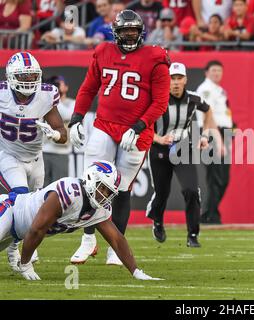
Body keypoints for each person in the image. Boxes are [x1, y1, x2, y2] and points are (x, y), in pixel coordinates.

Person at [68, 9, 170, 265]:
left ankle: (116, 245)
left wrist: (139, 126)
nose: (129, 35)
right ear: (116, 32)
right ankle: (88, 239)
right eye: (125, 31)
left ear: (141, 32)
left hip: (137, 130)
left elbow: (160, 102)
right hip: (104, 125)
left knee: (122, 189)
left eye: (134, 31)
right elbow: (89, 87)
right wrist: (77, 118)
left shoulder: (155, 57)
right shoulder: (103, 51)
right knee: (92, 182)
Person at [0, 161, 162, 281]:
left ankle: (13, 246)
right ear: (91, 178)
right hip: (8, 211)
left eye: (109, 192)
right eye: (103, 187)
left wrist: (135, 271)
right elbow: (36, 230)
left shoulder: (97, 209)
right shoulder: (69, 191)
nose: (105, 195)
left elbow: (117, 239)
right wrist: (26, 263)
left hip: (17, 232)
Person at [0, 52, 68, 264]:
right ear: (11, 77)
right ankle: (14, 252)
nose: (29, 81)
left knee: (33, 209)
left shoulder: (46, 95)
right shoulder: (2, 94)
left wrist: (54, 134)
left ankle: (15, 243)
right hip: (8, 155)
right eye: (24, 76)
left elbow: (62, 134)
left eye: (32, 76)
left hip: (35, 159)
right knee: (20, 199)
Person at [146, 62, 222, 248]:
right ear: (167, 80)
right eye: (172, 78)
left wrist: (204, 134)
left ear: (186, 79)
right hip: (159, 149)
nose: (176, 83)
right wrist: (158, 138)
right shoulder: (156, 99)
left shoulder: (193, 99)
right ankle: (157, 221)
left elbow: (208, 110)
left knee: (191, 190)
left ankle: (193, 235)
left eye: (179, 78)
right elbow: (142, 124)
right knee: (162, 193)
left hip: (184, 149)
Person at [196, 60, 233, 225]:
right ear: (206, 72)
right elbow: (207, 116)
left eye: (219, 70)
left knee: (222, 178)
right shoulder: (206, 90)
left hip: (223, 132)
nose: (217, 73)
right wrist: (219, 139)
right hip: (211, 133)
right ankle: (210, 215)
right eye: (214, 70)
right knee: (215, 177)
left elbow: (224, 114)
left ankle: (210, 213)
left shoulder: (219, 90)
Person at [42, 76, 75, 187]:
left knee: (58, 189)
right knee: (41, 188)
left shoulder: (72, 103)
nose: (55, 86)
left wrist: (52, 97)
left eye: (58, 84)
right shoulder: (45, 101)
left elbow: (68, 115)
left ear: (66, 87)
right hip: (43, 151)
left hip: (61, 152)